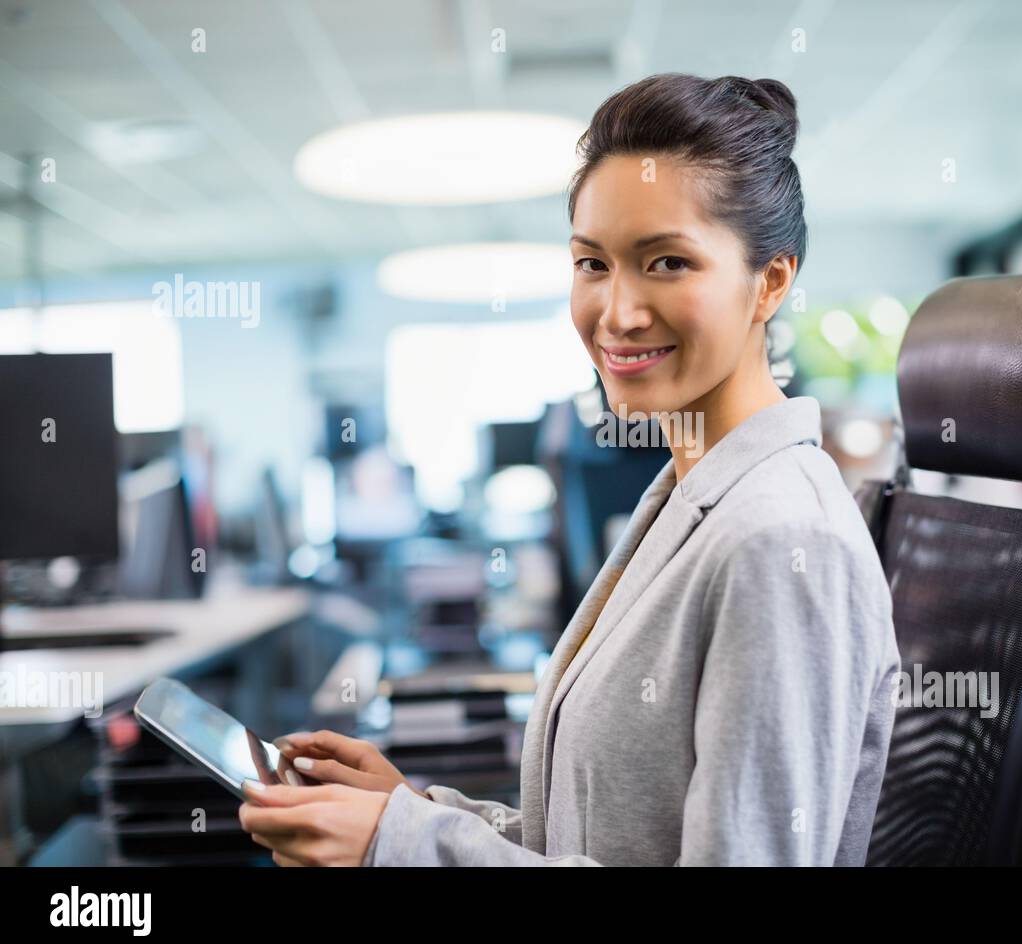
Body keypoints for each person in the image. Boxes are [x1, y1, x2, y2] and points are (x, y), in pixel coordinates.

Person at [240, 72, 901, 866]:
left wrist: (406, 850)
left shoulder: (778, 539)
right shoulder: (694, 496)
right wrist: (413, 810)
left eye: (666, 263)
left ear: (770, 282)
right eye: (593, 264)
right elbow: (610, 837)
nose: (616, 313)